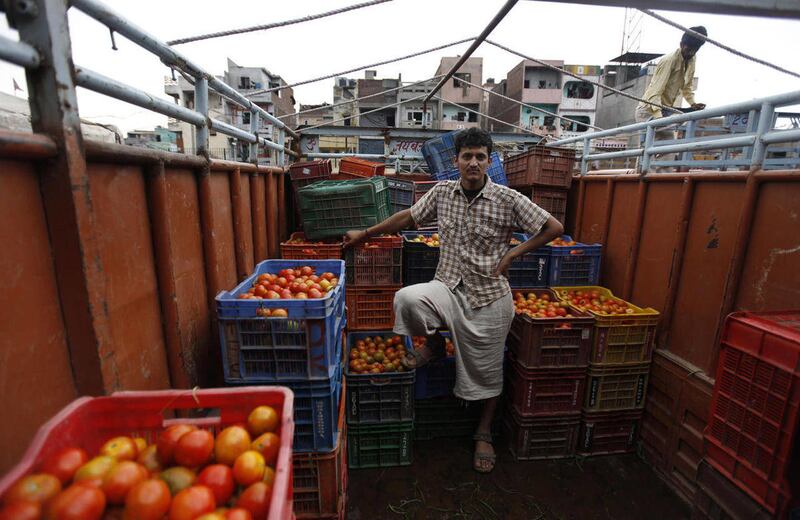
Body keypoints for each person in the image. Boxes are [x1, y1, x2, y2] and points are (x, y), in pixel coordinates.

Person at [343, 128, 564, 473]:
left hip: (488, 295)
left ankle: (483, 431)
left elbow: (554, 227)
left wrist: (513, 254)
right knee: (407, 299)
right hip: (447, 286)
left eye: (480, 156)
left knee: (487, 370)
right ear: (456, 160)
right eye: (467, 156)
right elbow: (408, 217)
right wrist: (367, 233)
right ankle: (433, 345)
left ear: (489, 161)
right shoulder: (442, 192)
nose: (473, 162)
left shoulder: (507, 198)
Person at [635, 26, 708, 171]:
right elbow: (655, 92)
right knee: (666, 143)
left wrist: (693, 103)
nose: (690, 53)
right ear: (681, 45)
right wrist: (659, 118)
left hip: (664, 110)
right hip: (649, 110)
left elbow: (687, 86)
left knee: (654, 146)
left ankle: (647, 174)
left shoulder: (691, 59)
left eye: (694, 51)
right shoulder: (669, 61)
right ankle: (655, 177)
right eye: (688, 50)